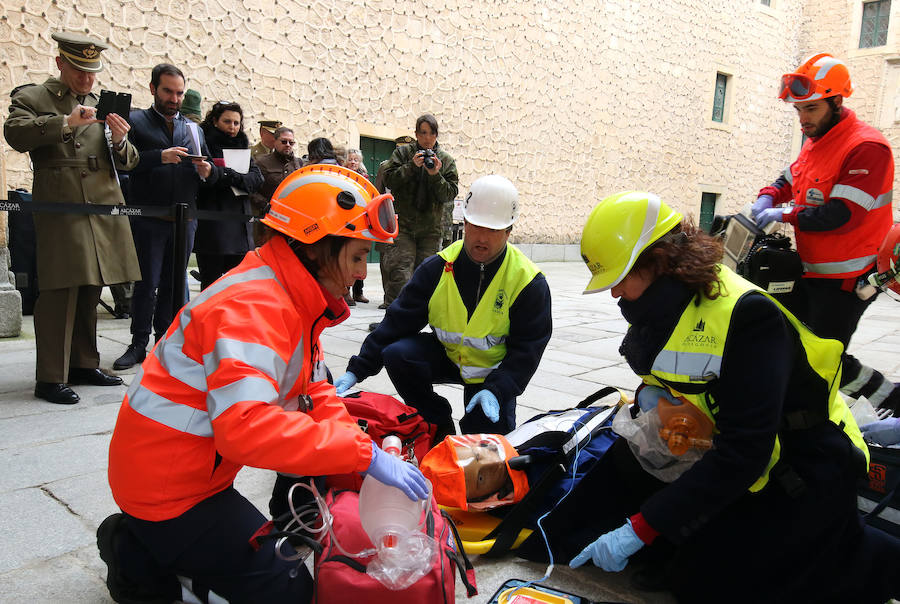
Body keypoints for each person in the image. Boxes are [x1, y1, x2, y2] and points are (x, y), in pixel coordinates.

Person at [97, 164, 428, 603]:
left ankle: (145, 540)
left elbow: (316, 394)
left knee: (279, 562)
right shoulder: (253, 307)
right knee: (290, 593)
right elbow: (246, 429)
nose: (362, 273)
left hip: (185, 477)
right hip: (171, 494)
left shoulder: (290, 296)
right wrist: (362, 455)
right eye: (356, 256)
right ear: (316, 248)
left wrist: (358, 454)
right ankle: (138, 554)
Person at [564, 191, 900, 603]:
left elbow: (745, 452)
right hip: (746, 460)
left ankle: (870, 561)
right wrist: (655, 398)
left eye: (618, 277)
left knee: (740, 584)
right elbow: (681, 381)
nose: (614, 293)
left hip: (806, 467)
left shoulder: (747, 317)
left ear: (657, 261)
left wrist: (641, 528)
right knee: (682, 565)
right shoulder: (664, 307)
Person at [335, 175, 552, 438]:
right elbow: (397, 322)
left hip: (492, 372)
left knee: (486, 447)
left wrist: (499, 389)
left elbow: (528, 349)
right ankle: (436, 421)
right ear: (464, 223)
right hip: (449, 357)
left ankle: (486, 413)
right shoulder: (438, 268)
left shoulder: (527, 282)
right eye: (475, 226)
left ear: (508, 231)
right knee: (398, 353)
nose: (481, 237)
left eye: (493, 230)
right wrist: (358, 369)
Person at [753, 53, 898, 416]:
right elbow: (791, 177)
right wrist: (768, 195)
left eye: (811, 109)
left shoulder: (867, 147)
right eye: (798, 110)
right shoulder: (816, 138)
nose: (803, 119)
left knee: (822, 355)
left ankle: (887, 403)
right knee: (800, 345)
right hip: (815, 271)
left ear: (836, 101)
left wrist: (782, 213)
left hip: (852, 277)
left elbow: (842, 215)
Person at [4, 32, 140, 404]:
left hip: (101, 205)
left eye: (92, 71)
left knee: (91, 286)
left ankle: (83, 362)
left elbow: (129, 161)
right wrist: (65, 121)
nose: (87, 79)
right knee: (60, 290)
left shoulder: (103, 103)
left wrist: (119, 140)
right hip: (63, 204)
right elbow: (14, 134)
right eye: (80, 70)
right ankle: (50, 376)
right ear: (61, 62)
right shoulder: (33, 96)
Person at [113, 63, 217, 371]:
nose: (174, 98)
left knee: (175, 285)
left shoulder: (193, 129)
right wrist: (159, 157)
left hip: (185, 221)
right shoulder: (135, 121)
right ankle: (137, 344)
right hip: (149, 218)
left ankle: (167, 342)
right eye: (168, 91)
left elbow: (209, 170)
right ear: (153, 89)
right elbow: (122, 165)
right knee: (146, 284)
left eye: (179, 93)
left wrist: (208, 170)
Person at [379, 114, 459, 309]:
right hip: (404, 226)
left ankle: (415, 322)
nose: (427, 138)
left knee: (426, 278)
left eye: (431, 133)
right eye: (423, 133)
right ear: (416, 134)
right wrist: (411, 167)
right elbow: (389, 180)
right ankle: (392, 323)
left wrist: (435, 175)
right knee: (399, 274)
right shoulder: (404, 154)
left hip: (430, 231)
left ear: (436, 135)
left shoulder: (446, 161)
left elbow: (449, 193)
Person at [194, 101, 263, 290]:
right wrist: (233, 176)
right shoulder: (204, 144)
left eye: (236, 123)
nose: (232, 127)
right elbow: (206, 178)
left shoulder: (242, 145)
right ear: (215, 121)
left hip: (240, 224)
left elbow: (256, 179)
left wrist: (225, 174)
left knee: (239, 287)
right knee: (211, 286)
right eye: (227, 121)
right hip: (214, 225)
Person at [251, 126, 303, 214]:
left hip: (292, 213)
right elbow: (251, 189)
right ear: (275, 142)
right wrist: (265, 205)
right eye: (283, 142)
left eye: (291, 143)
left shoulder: (299, 163)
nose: (287, 145)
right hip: (269, 215)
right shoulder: (261, 162)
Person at [344, 148, 370, 304]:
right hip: (346, 220)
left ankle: (358, 292)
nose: (353, 162)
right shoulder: (341, 175)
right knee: (346, 256)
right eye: (350, 159)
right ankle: (345, 291)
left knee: (360, 256)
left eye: (356, 159)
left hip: (360, 220)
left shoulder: (364, 178)